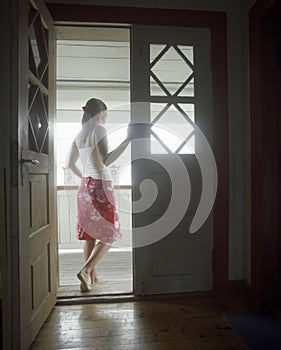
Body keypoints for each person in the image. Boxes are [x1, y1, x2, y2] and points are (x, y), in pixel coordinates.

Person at [65, 98, 129, 292]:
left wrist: (86, 178)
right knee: (109, 235)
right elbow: (107, 160)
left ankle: (92, 278)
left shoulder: (79, 133)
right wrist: (127, 140)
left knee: (90, 235)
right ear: (101, 112)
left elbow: (69, 164)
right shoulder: (99, 129)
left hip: (85, 186)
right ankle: (85, 271)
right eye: (106, 113)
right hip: (101, 185)